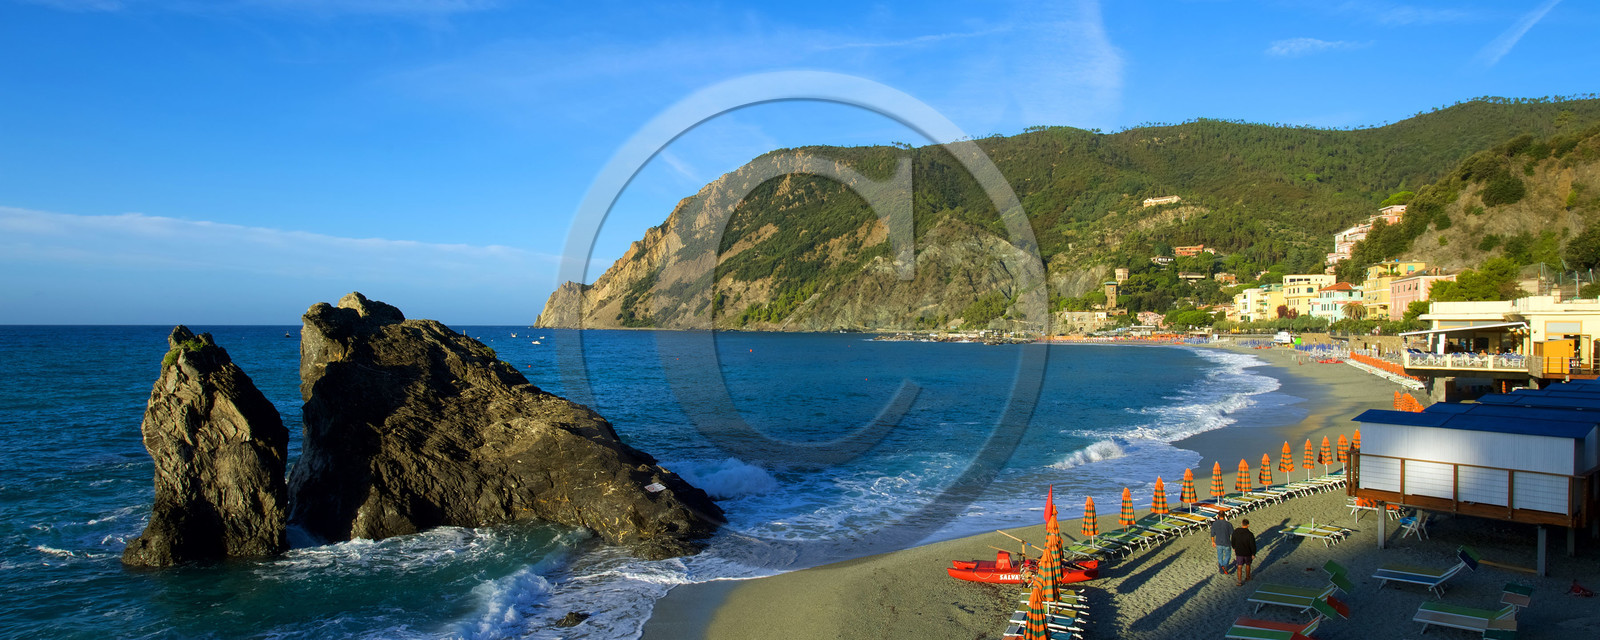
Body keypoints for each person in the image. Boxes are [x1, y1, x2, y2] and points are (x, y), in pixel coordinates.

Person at [1231, 519, 1258, 586]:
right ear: (1248, 525)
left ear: (1242, 524)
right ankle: (1247, 577)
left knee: (1239, 566)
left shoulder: (1236, 531)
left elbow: (1232, 540)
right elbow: (1252, 545)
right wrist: (1253, 553)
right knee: (1248, 565)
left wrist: (1234, 547)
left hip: (1239, 552)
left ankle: (1239, 581)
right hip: (1247, 552)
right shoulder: (1250, 534)